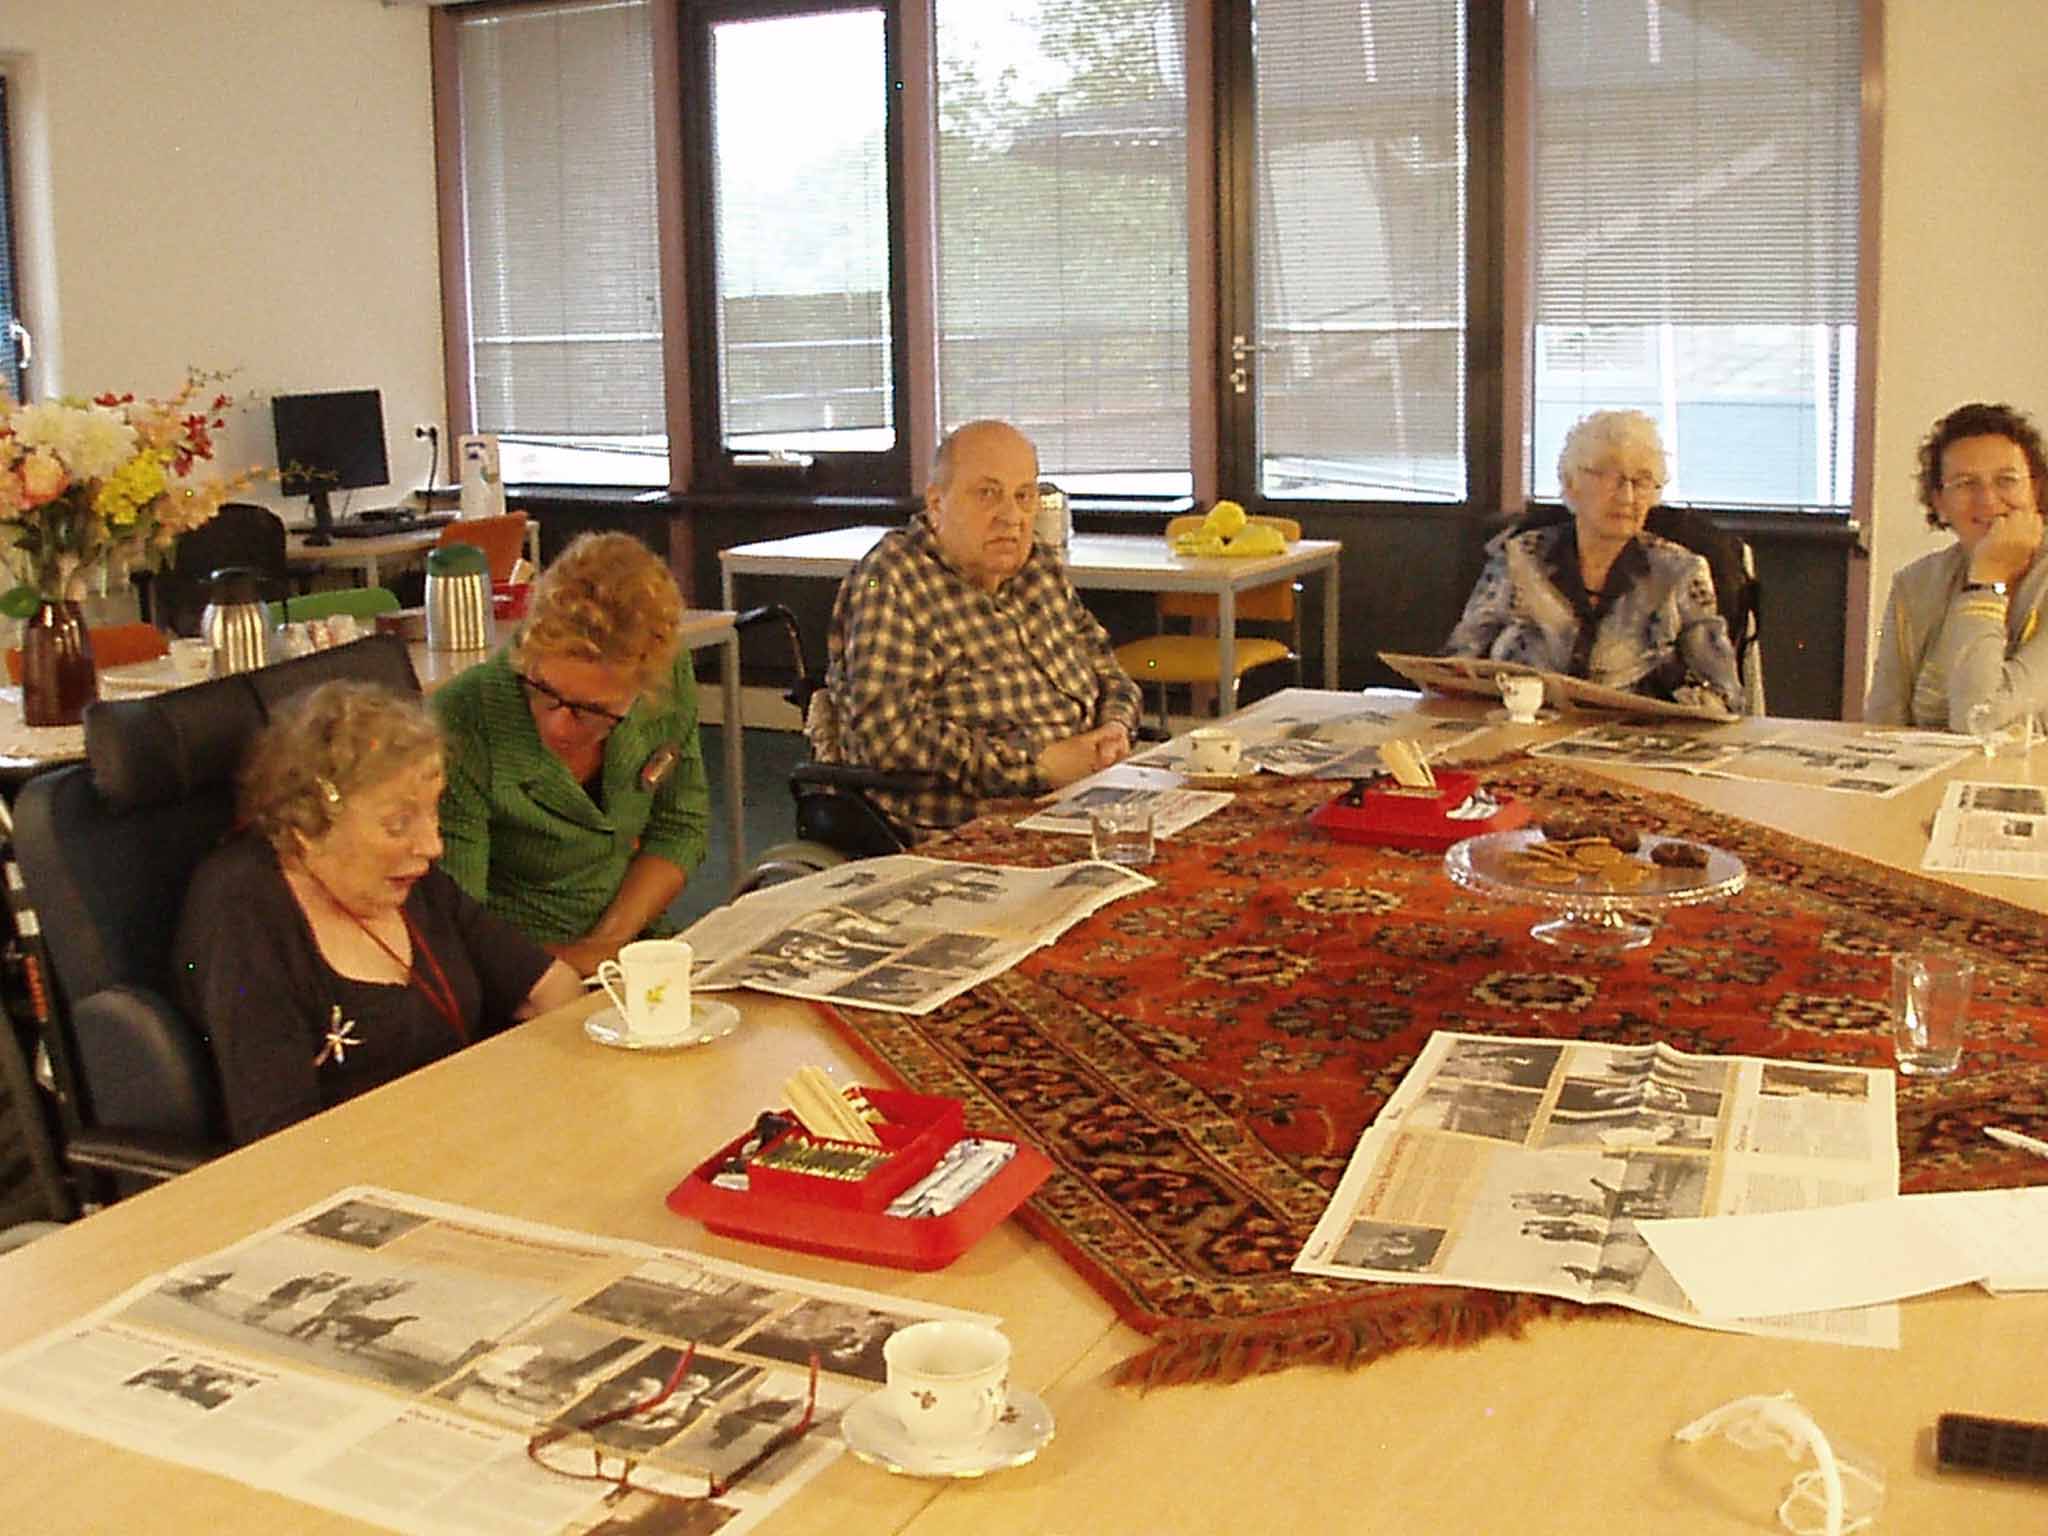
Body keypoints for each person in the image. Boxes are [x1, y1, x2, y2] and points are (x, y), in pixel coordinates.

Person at [175, 683, 582, 1146]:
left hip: (469, 1142)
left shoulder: (409, 882)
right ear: (307, 827)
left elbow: (553, 990)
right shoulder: (244, 918)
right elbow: (280, 1147)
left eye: (433, 814)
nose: (433, 846)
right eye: (398, 824)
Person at [807, 419, 1142, 839]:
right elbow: (889, 737)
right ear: (936, 503)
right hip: (970, 823)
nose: (1012, 517)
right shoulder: (892, 580)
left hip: (1084, 796)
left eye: (1024, 496)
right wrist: (1036, 767)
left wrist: (1114, 728)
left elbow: (1111, 674)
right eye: (988, 494)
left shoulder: (1037, 568)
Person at [433, 531, 711, 974]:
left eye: (592, 711)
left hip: (629, 944)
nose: (559, 725)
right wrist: (563, 967)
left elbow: (680, 825)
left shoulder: (666, 678)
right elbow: (455, 922)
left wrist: (607, 944)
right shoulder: (465, 718)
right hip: (514, 971)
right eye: (545, 692)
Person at [1442, 409, 1741, 713]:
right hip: (1522, 732)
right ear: (1571, 483)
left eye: (1642, 481)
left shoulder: (1680, 572)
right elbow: (1456, 662)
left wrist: (1685, 698)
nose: (1627, 496)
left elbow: (1724, 694)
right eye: (1610, 477)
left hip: (1632, 743)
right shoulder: (1518, 558)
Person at [1865, 401, 2048, 731]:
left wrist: (1987, 584)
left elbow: (1979, 719)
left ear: (2035, 489)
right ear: (1939, 503)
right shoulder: (1915, 584)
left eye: (2006, 480)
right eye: (1965, 484)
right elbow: (1883, 727)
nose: (1988, 500)